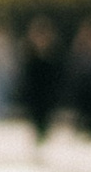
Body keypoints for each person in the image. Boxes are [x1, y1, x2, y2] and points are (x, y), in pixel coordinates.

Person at [16, 16, 64, 144]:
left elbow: (57, 75)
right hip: (34, 92)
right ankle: (38, 136)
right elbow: (26, 75)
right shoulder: (29, 54)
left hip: (48, 92)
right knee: (36, 116)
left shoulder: (54, 54)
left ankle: (43, 135)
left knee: (46, 116)